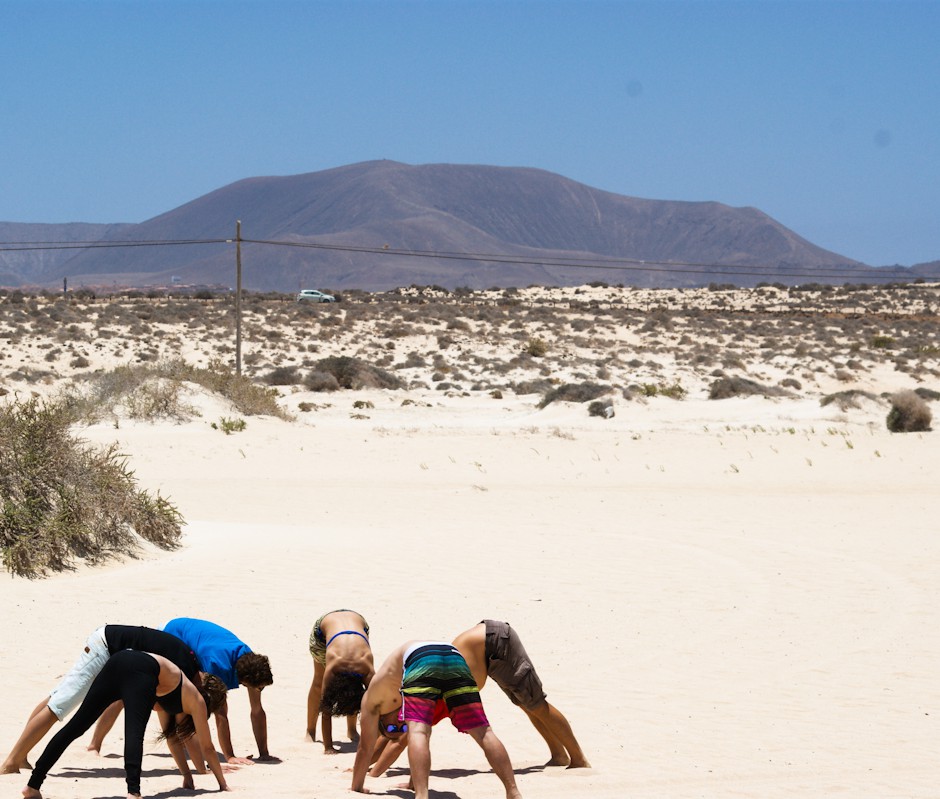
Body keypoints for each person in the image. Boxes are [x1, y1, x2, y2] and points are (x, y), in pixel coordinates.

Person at [2, 624, 210, 774]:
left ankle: (21, 756)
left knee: (57, 698)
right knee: (60, 705)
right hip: (105, 648)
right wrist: (203, 770)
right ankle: (12, 761)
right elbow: (181, 725)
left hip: (108, 646)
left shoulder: (188, 663)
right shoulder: (184, 672)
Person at [21, 649, 229, 799]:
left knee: (75, 727)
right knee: (134, 733)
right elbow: (207, 747)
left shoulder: (179, 684)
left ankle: (33, 785)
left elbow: (171, 737)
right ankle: (134, 792)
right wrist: (222, 784)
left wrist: (187, 777)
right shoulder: (197, 700)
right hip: (141, 670)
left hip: (118, 660)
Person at [350, 640, 522, 799]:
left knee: (418, 732)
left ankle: (422, 796)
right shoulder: (400, 691)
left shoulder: (371, 701)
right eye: (399, 730)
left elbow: (365, 747)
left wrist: (356, 787)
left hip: (420, 658)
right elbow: (424, 734)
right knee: (483, 732)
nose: (399, 727)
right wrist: (412, 783)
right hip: (454, 656)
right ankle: (513, 791)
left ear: (380, 719)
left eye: (391, 729)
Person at [91, 617, 275, 765]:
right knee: (131, 691)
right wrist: (230, 757)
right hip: (173, 633)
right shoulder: (216, 664)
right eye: (257, 687)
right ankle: (94, 745)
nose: (259, 690)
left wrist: (264, 754)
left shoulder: (251, 663)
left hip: (194, 636)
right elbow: (221, 713)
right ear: (244, 679)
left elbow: (257, 710)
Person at [453, 620, 590, 768]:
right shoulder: (446, 677)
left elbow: (477, 684)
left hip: (496, 640)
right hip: (488, 644)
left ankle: (579, 759)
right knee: (526, 705)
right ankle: (559, 755)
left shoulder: (450, 679)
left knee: (537, 704)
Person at [305, 609, 374, 754]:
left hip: (359, 624)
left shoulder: (367, 668)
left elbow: (378, 704)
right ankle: (310, 731)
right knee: (318, 681)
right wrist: (328, 747)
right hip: (323, 630)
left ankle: (352, 730)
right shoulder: (333, 666)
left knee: (357, 698)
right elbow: (326, 708)